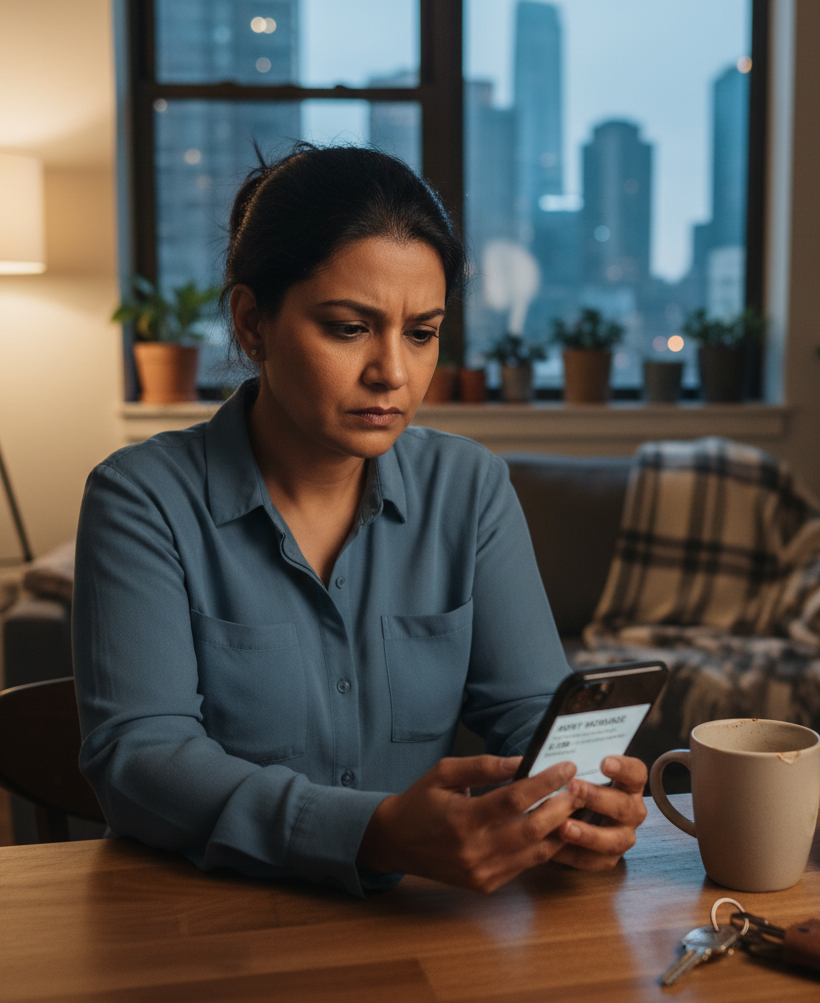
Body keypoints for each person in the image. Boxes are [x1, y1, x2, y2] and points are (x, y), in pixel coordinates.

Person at [73, 145, 647, 897]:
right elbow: (139, 757)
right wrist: (369, 832)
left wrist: (580, 795)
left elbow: (531, 713)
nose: (394, 374)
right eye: (349, 328)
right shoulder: (141, 499)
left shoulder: (469, 488)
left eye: (422, 332)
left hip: (421, 929)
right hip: (208, 925)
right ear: (252, 323)